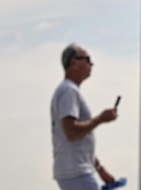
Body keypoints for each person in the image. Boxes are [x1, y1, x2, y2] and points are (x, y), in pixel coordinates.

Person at [50, 44, 119, 190]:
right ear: (74, 62)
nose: (91, 63)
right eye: (87, 59)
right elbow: (71, 131)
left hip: (75, 169)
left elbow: (78, 138)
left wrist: (100, 169)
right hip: (76, 171)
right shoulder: (69, 90)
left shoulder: (69, 90)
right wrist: (100, 119)